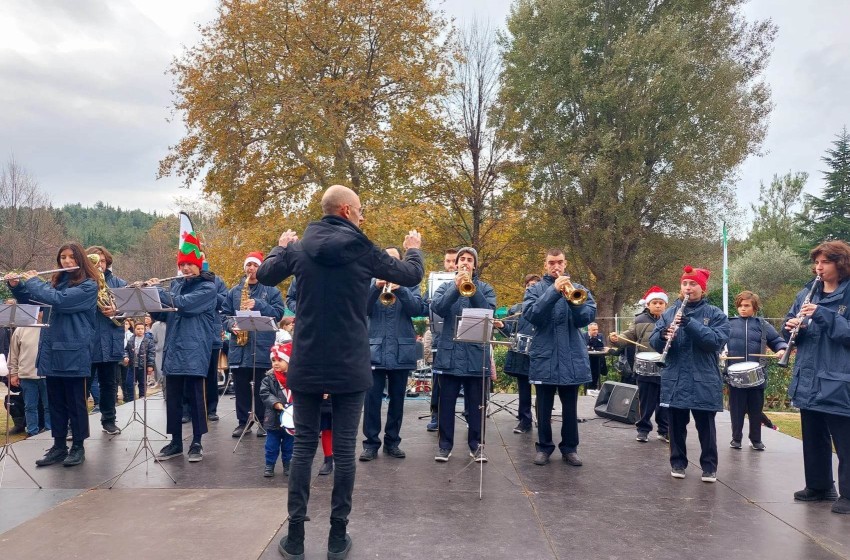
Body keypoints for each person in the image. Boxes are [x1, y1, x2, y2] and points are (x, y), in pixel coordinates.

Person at [257, 184, 423, 559]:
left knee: (303, 448)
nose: (363, 217)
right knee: (345, 450)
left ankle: (295, 538)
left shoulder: (298, 250)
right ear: (347, 210)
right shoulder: (364, 250)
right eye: (360, 210)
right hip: (349, 362)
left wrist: (282, 244)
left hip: (308, 361)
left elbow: (265, 274)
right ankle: (336, 539)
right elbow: (411, 274)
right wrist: (413, 246)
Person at [6, 242, 99, 467]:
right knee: (55, 402)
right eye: (62, 258)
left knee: (75, 403)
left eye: (71, 257)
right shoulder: (56, 284)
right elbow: (34, 301)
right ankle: (58, 446)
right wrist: (18, 286)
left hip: (74, 352)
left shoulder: (88, 286)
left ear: (80, 260)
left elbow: (61, 301)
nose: (66, 261)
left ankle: (78, 447)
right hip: (53, 350)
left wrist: (35, 281)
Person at [784, 240, 850, 514]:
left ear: (840, 264)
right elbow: (790, 325)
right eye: (817, 262)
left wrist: (823, 314)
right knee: (813, 436)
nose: (818, 268)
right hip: (809, 375)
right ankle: (820, 486)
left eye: (824, 262)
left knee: (845, 441)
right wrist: (791, 329)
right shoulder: (806, 293)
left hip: (839, 376)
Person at [650, 266, 729, 483]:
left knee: (706, 426)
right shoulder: (668, 313)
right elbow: (654, 341)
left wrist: (689, 323)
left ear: (702, 288)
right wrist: (664, 336)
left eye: (693, 284)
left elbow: (714, 342)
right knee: (676, 425)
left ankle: (709, 467)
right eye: (685, 283)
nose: (688, 288)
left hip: (703, 378)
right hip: (675, 377)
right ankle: (678, 462)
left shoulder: (715, 314)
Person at [523, 249, 595, 467]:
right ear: (545, 265)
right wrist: (553, 291)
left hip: (572, 356)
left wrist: (572, 300)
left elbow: (585, 319)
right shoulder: (536, 290)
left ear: (566, 264)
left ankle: (570, 448)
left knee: (570, 408)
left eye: (560, 262)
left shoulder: (580, 289)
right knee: (543, 406)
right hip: (545, 355)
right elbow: (532, 315)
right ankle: (544, 447)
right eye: (552, 262)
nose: (556, 266)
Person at [150, 232, 217, 463]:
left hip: (194, 348)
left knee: (197, 396)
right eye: (183, 265)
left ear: (198, 265)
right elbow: (162, 314)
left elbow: (184, 306)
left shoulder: (208, 288)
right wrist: (149, 298)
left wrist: (158, 292)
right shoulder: (176, 286)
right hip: (174, 347)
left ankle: (197, 441)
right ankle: (176, 441)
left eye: (190, 264)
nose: (186, 268)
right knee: (174, 397)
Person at [360, 246, 428, 462]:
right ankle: (370, 444)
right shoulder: (370, 282)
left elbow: (418, 309)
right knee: (371, 401)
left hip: (401, 350)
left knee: (397, 400)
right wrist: (375, 287)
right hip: (374, 350)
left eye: (394, 259)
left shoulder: (410, 283)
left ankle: (392, 442)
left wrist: (400, 289)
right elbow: (362, 309)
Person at [430, 247, 497, 463]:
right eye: (462, 260)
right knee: (446, 405)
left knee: (477, 406)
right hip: (449, 355)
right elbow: (438, 308)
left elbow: (489, 310)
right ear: (456, 264)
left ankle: (476, 446)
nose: (466, 263)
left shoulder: (486, 288)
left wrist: (472, 288)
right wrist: (456, 288)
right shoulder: (444, 287)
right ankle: (444, 446)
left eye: (470, 260)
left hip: (476, 356)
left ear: (475, 265)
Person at [223, 251, 286, 438]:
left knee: (262, 386)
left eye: (255, 265)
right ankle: (244, 421)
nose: (251, 269)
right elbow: (223, 315)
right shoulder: (234, 291)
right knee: (241, 387)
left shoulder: (271, 290)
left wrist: (258, 304)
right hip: (239, 346)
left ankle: (263, 421)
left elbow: (279, 314)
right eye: (248, 265)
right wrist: (230, 325)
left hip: (261, 346)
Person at [725, 290, 787, 451]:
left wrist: (781, 349)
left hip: (757, 375)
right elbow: (718, 342)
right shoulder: (729, 324)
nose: (743, 309)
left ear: (755, 308)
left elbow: (777, 341)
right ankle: (736, 438)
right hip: (735, 375)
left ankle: (756, 440)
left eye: (747, 306)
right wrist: (719, 352)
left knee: (755, 410)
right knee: (736, 410)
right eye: (740, 306)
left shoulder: (763, 325)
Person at [609, 286, 669, 443]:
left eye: (661, 303)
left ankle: (664, 430)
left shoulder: (671, 319)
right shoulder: (639, 320)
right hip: (644, 369)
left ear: (666, 305)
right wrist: (616, 339)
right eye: (654, 302)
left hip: (666, 368)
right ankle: (643, 429)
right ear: (648, 304)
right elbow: (628, 336)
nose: (658, 305)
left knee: (664, 402)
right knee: (646, 401)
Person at [502, 274, 541, 434]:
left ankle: (542, 419)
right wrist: (501, 325)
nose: (531, 287)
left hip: (540, 355)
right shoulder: (516, 309)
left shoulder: (545, 308)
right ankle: (525, 421)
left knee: (542, 391)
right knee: (524, 390)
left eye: (534, 285)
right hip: (521, 356)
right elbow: (508, 332)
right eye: (528, 285)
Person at [425, 248, 458, 432]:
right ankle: (436, 414)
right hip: (440, 337)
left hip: (463, 338)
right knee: (438, 380)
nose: (451, 265)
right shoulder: (436, 283)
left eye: (454, 261)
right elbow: (426, 307)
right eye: (448, 261)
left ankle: (469, 415)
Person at [8, 310, 50, 437]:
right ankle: (32, 432)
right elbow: (13, 353)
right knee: (29, 406)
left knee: (49, 406)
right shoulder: (21, 329)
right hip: (26, 374)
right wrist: (13, 373)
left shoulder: (51, 327)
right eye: (39, 310)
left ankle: (50, 431)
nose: (40, 313)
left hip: (48, 375)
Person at [260, 342, 295, 477]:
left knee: (289, 445)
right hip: (273, 418)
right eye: (273, 360)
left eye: (280, 360)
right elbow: (265, 393)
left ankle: (288, 465)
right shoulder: (269, 378)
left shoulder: (294, 378)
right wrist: (275, 403)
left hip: (290, 420)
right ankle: (269, 465)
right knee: (271, 445)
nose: (276, 363)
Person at [122, 321, 155, 402]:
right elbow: (126, 350)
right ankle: (131, 400)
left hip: (142, 366)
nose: (140, 330)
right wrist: (126, 356)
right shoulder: (131, 339)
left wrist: (150, 365)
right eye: (138, 329)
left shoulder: (148, 340)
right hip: (132, 366)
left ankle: (142, 399)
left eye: (142, 329)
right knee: (129, 383)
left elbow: (151, 353)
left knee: (142, 384)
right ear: (134, 329)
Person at [583, 322, 607, 392]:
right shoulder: (583, 336)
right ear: (589, 330)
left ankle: (593, 390)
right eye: (594, 330)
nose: (596, 331)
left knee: (595, 378)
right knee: (587, 380)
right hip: (586, 362)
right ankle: (586, 393)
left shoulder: (600, 336)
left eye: (597, 329)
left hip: (597, 360)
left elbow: (602, 347)